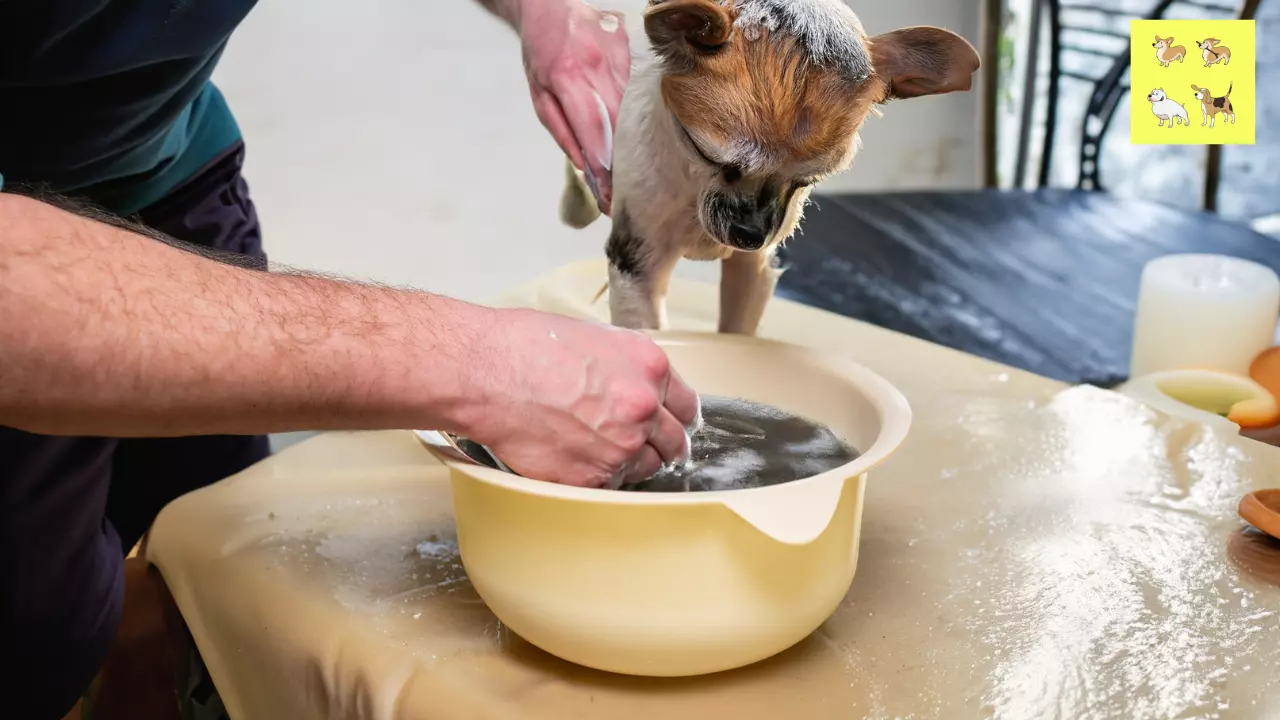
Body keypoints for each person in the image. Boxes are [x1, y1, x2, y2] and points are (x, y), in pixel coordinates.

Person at [0, 1, 699, 717]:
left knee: (219, 555)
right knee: (38, 640)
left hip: (164, 159)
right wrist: (482, 367)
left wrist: (544, 10)